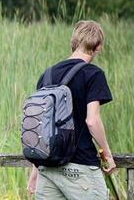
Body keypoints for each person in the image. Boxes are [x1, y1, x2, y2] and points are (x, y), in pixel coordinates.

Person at [27, 21, 115, 199]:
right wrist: (107, 154)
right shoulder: (93, 74)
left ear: (73, 42)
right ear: (98, 47)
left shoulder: (47, 75)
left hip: (47, 168)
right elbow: (92, 121)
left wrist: (34, 175)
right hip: (80, 167)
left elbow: (43, 128)